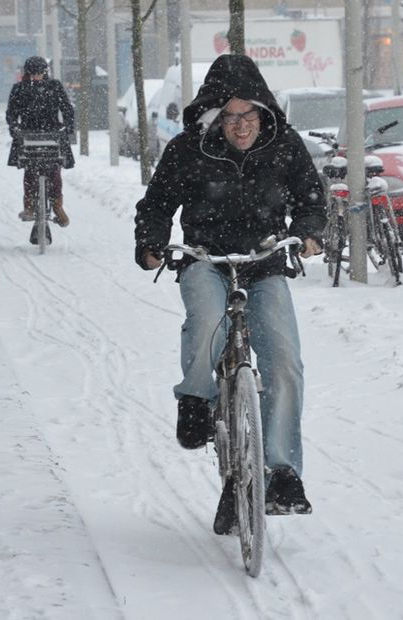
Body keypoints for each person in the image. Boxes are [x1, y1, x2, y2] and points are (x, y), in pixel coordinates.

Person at [134, 54, 326, 531]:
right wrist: (151, 243)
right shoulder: (188, 150)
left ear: (265, 112)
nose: (241, 126)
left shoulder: (285, 146)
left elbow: (311, 199)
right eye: (231, 116)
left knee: (283, 360)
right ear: (215, 116)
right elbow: (156, 204)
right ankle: (197, 400)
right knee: (205, 321)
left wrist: (307, 231)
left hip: (263, 263)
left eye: (250, 114)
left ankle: (280, 473)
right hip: (207, 259)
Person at [6, 56, 75, 227]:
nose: (35, 77)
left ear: (45, 72)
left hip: (50, 134)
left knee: (54, 171)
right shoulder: (20, 89)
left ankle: (58, 206)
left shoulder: (53, 86)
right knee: (30, 170)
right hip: (29, 134)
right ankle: (29, 206)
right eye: (32, 73)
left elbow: (67, 109)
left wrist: (68, 127)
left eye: (38, 73)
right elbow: (11, 113)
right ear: (26, 73)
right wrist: (14, 128)